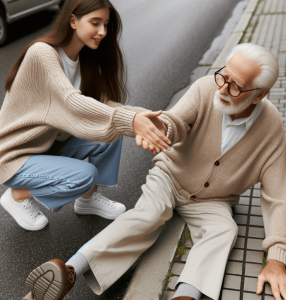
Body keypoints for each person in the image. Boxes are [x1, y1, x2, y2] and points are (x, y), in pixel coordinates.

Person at [23, 43, 286, 300]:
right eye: (223, 77)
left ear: (260, 94)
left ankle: (185, 295)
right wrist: (161, 129)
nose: (223, 89)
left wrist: (277, 259)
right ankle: (69, 270)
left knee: (225, 229)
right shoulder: (206, 89)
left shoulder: (271, 127)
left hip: (214, 200)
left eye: (236, 86)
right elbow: (176, 120)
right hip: (170, 177)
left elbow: (278, 195)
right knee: (147, 216)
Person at [0, 0, 170, 231]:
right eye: (95, 23)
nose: (102, 32)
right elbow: (71, 103)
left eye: (106, 24)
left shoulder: (85, 60)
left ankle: (88, 200)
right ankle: (18, 194)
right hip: (15, 156)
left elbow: (106, 107)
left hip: (48, 145)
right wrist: (131, 121)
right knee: (85, 174)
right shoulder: (41, 53)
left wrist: (150, 119)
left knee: (112, 126)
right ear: (73, 21)